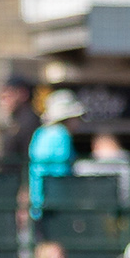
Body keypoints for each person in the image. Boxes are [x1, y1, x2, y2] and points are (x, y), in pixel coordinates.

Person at [26, 89, 82, 219]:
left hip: (38, 199)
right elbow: (61, 170)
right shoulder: (61, 134)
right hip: (54, 199)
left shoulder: (40, 132)